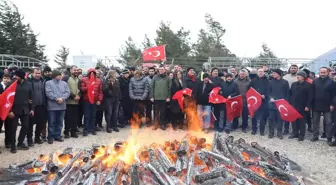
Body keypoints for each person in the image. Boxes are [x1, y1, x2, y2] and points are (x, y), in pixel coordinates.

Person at [5, 69, 34, 153]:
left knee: (25, 126)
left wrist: (32, 108)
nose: (14, 77)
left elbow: (32, 97)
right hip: (13, 111)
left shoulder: (29, 85)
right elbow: (6, 99)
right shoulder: (10, 84)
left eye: (16, 75)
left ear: (21, 76)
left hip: (25, 110)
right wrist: (9, 111)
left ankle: (20, 142)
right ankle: (12, 146)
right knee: (13, 128)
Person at [45, 70, 70, 144]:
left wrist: (62, 98)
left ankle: (57, 135)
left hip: (62, 106)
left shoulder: (64, 83)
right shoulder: (48, 83)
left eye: (60, 75)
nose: (60, 76)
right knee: (51, 122)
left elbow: (67, 92)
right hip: (52, 107)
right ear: (54, 75)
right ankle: (50, 136)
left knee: (60, 122)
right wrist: (56, 99)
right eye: (58, 75)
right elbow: (48, 93)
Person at [311, 67, 334, 146]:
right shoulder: (315, 81)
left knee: (328, 122)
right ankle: (315, 136)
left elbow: (334, 95)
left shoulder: (332, 82)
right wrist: (311, 104)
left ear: (328, 73)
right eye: (321, 72)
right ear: (319, 72)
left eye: (324, 72)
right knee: (315, 122)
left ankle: (329, 138)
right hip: (316, 105)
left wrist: (332, 104)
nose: (322, 74)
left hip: (328, 105)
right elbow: (312, 93)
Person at [289, 71, 313, 141]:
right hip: (294, 105)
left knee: (302, 121)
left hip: (303, 106)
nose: (297, 77)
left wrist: (308, 106)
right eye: (297, 75)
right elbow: (291, 94)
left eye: (299, 76)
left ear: (303, 77)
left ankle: (301, 135)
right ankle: (295, 133)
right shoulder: (294, 84)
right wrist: (290, 104)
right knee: (294, 120)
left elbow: (310, 97)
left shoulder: (308, 85)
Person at [80, 68, 103, 136]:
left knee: (93, 115)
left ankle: (92, 129)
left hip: (95, 100)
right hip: (87, 100)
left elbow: (100, 91)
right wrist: (88, 87)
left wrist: (99, 100)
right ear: (89, 73)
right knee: (87, 116)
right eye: (91, 73)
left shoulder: (98, 81)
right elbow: (82, 89)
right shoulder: (84, 79)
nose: (92, 74)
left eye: (93, 73)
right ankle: (86, 130)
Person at [27, 68, 47, 145]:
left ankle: (37, 138)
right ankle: (29, 139)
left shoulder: (43, 81)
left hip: (41, 106)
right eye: (36, 73)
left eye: (39, 73)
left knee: (41, 123)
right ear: (32, 73)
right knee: (30, 124)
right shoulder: (28, 81)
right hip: (31, 107)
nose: (38, 75)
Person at [268, 69, 289, 139]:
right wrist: (270, 98)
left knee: (280, 119)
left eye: (274, 73)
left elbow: (287, 93)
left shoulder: (285, 82)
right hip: (272, 104)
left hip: (281, 104)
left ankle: (279, 132)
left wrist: (285, 102)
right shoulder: (270, 82)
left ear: (279, 74)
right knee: (271, 118)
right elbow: (268, 92)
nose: (273, 74)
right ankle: (271, 132)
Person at [249, 68, 269, 136]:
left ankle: (262, 131)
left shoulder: (267, 81)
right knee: (254, 116)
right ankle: (254, 130)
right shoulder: (253, 81)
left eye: (262, 71)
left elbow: (269, 90)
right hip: (255, 102)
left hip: (264, 102)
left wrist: (265, 95)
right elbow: (249, 90)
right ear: (257, 73)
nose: (260, 73)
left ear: (264, 73)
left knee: (263, 117)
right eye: (259, 71)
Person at [151, 65, 171, 130]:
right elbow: (152, 87)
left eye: (162, 69)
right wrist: (152, 96)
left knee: (163, 112)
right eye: (160, 69)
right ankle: (156, 124)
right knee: (156, 112)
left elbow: (169, 88)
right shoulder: (155, 77)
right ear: (158, 70)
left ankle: (162, 124)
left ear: (164, 70)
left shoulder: (167, 78)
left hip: (164, 98)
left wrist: (168, 97)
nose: (161, 70)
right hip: (156, 98)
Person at [64, 65, 80, 138]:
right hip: (69, 102)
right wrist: (73, 97)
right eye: (74, 70)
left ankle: (73, 132)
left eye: (77, 70)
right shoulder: (67, 78)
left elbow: (80, 89)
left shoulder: (78, 79)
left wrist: (79, 96)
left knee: (75, 118)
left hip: (76, 102)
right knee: (68, 118)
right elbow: (66, 89)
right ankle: (66, 132)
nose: (76, 71)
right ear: (71, 70)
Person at [283, 64, 299, 135]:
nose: (293, 69)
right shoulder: (285, 77)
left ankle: (295, 130)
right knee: (286, 113)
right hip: (286, 97)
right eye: (292, 68)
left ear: (297, 69)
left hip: (296, 98)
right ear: (289, 69)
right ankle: (286, 129)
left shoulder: (298, 77)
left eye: (295, 68)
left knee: (293, 114)